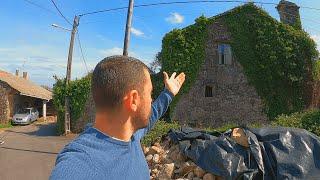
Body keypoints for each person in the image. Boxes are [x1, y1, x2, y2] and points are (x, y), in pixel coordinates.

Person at [50, 55, 186, 180]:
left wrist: (168, 94)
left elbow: (153, 113)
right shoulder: (79, 165)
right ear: (133, 100)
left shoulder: (131, 135)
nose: (151, 99)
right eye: (150, 93)